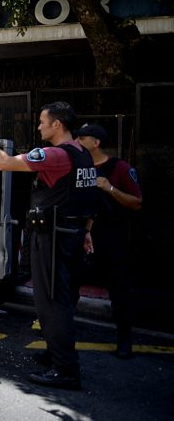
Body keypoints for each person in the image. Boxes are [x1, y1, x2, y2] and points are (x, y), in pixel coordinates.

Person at [0, 102, 97, 390]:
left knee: (51, 302)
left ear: (57, 124)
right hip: (71, 234)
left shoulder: (55, 156)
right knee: (64, 298)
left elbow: (3, 163)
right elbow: (86, 199)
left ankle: (65, 370)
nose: (38, 127)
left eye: (41, 122)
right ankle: (55, 353)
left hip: (52, 238)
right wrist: (86, 232)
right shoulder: (83, 154)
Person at [75, 123, 142, 359]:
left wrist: (109, 187)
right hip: (81, 235)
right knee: (69, 288)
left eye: (82, 139)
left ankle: (125, 340)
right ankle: (59, 343)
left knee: (119, 291)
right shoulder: (77, 166)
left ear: (96, 142)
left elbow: (136, 202)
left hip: (112, 237)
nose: (78, 142)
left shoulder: (119, 168)